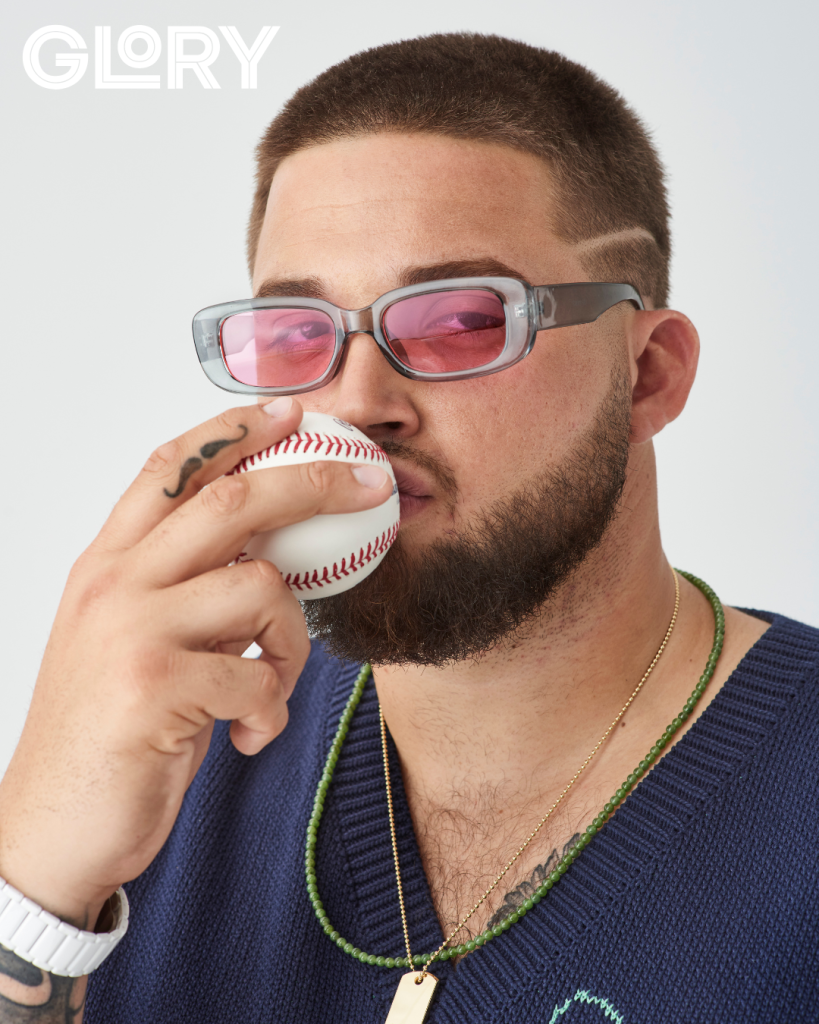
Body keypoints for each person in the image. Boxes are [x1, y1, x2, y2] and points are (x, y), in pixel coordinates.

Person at [0, 32, 816, 1024]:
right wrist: (34, 884)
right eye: (296, 334)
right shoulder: (167, 743)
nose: (357, 402)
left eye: (459, 322)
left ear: (647, 375)